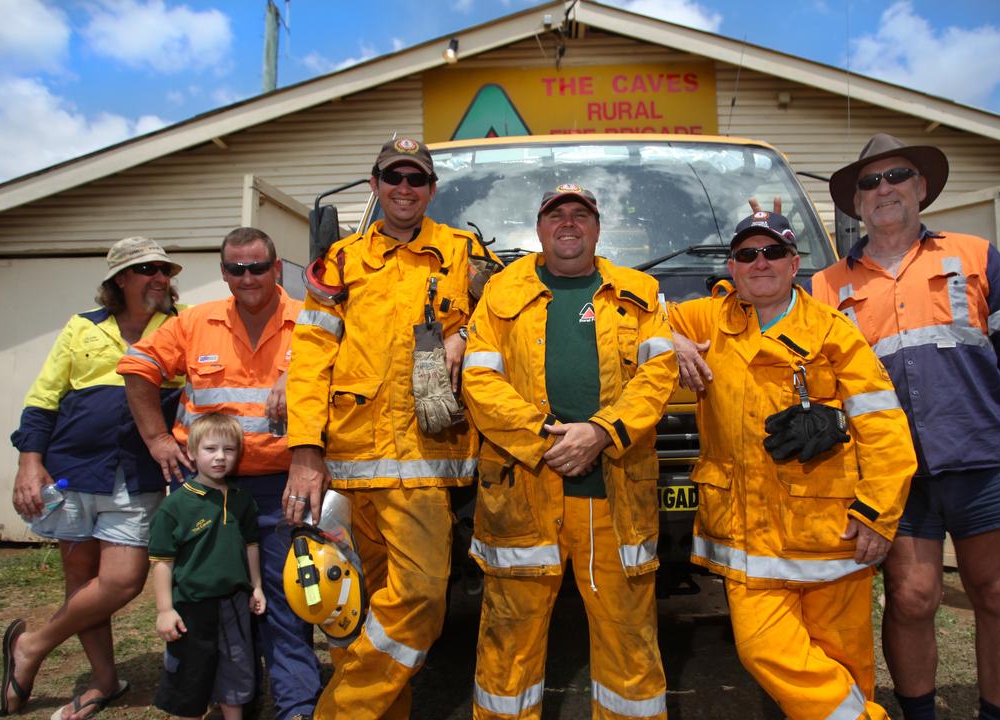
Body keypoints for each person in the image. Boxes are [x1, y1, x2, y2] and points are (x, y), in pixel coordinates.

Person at [811, 133, 1000, 720]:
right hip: (892, 472)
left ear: (921, 187)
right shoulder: (826, 287)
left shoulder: (975, 256)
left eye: (896, 176)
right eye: (869, 182)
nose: (884, 189)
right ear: (855, 203)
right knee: (911, 596)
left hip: (980, 455)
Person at [284, 136, 499, 719]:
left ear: (432, 189)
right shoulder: (339, 263)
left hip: (426, 463)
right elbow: (309, 359)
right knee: (369, 611)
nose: (405, 189)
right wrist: (306, 451)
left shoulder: (464, 252)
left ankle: (340, 713)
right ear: (375, 185)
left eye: (416, 179)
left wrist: (463, 332)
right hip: (352, 469)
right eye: (393, 177)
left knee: (421, 600)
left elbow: (509, 313)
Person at [671, 209, 916, 719]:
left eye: (773, 252)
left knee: (844, 665)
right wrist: (669, 339)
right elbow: (636, 312)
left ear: (793, 263)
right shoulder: (704, 320)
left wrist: (877, 512)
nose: (760, 263)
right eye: (746, 255)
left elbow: (884, 427)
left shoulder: (833, 333)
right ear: (732, 269)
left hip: (832, 536)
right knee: (764, 649)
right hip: (748, 540)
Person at [461, 184, 677, 719]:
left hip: (615, 493)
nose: (569, 224)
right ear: (539, 229)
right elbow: (479, 382)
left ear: (598, 229)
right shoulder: (501, 293)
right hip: (523, 494)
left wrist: (602, 432)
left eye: (581, 215)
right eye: (556, 215)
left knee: (629, 641)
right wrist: (547, 440)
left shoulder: (640, 292)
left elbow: (659, 374)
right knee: (508, 643)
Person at [118, 227, 320, 720]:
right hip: (204, 491)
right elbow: (138, 366)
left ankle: (297, 707)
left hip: (280, 488)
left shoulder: (313, 322)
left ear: (277, 269)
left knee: (286, 602)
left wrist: (301, 377)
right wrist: (158, 440)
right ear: (223, 272)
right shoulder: (193, 322)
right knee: (207, 602)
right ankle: (229, 700)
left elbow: (346, 376)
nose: (247, 277)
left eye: (257, 267)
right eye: (235, 269)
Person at [1, 236, 185, 720]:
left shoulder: (179, 329)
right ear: (120, 279)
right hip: (73, 469)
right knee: (81, 580)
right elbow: (43, 398)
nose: (161, 278)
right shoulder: (82, 327)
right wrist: (29, 461)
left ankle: (31, 646)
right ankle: (105, 681)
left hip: (139, 472)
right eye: (148, 269)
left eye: (165, 270)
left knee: (122, 581)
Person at [149, 413, 266, 720]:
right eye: (210, 449)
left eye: (228, 450)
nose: (219, 457)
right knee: (192, 674)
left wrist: (256, 587)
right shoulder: (175, 506)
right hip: (192, 606)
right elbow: (162, 561)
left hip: (235, 604)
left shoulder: (242, 500)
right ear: (191, 452)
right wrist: (165, 610)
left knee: (236, 669)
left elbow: (251, 545)